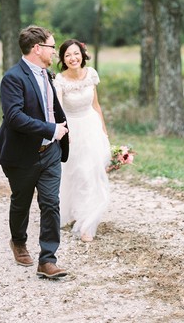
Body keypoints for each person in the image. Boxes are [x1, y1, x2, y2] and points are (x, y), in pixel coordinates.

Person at [0, 25, 70, 279]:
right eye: (52, 46)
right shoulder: (13, 77)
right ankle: (18, 241)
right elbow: (14, 117)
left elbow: (51, 108)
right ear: (38, 49)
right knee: (21, 202)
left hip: (50, 152)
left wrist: (60, 131)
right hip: (22, 154)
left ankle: (47, 260)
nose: (55, 52)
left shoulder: (47, 74)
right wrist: (51, 128)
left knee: (51, 203)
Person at [54, 39, 111, 243]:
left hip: (91, 128)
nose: (73, 58)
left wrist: (104, 132)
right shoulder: (59, 81)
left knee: (90, 174)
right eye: (68, 55)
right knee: (73, 174)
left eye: (76, 53)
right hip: (72, 131)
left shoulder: (91, 74)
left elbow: (96, 105)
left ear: (82, 54)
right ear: (62, 59)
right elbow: (58, 110)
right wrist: (61, 135)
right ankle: (72, 212)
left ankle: (87, 224)